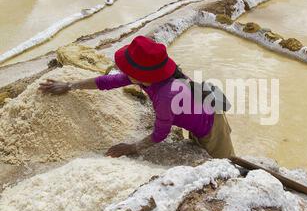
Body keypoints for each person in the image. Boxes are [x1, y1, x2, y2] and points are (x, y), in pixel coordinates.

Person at [39, 36, 235, 159]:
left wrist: (131, 147)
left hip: (212, 125)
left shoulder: (166, 95)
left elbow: (160, 134)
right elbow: (107, 82)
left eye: (126, 68)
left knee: (225, 163)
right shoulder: (151, 77)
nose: (123, 71)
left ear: (141, 75)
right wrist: (69, 86)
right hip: (199, 114)